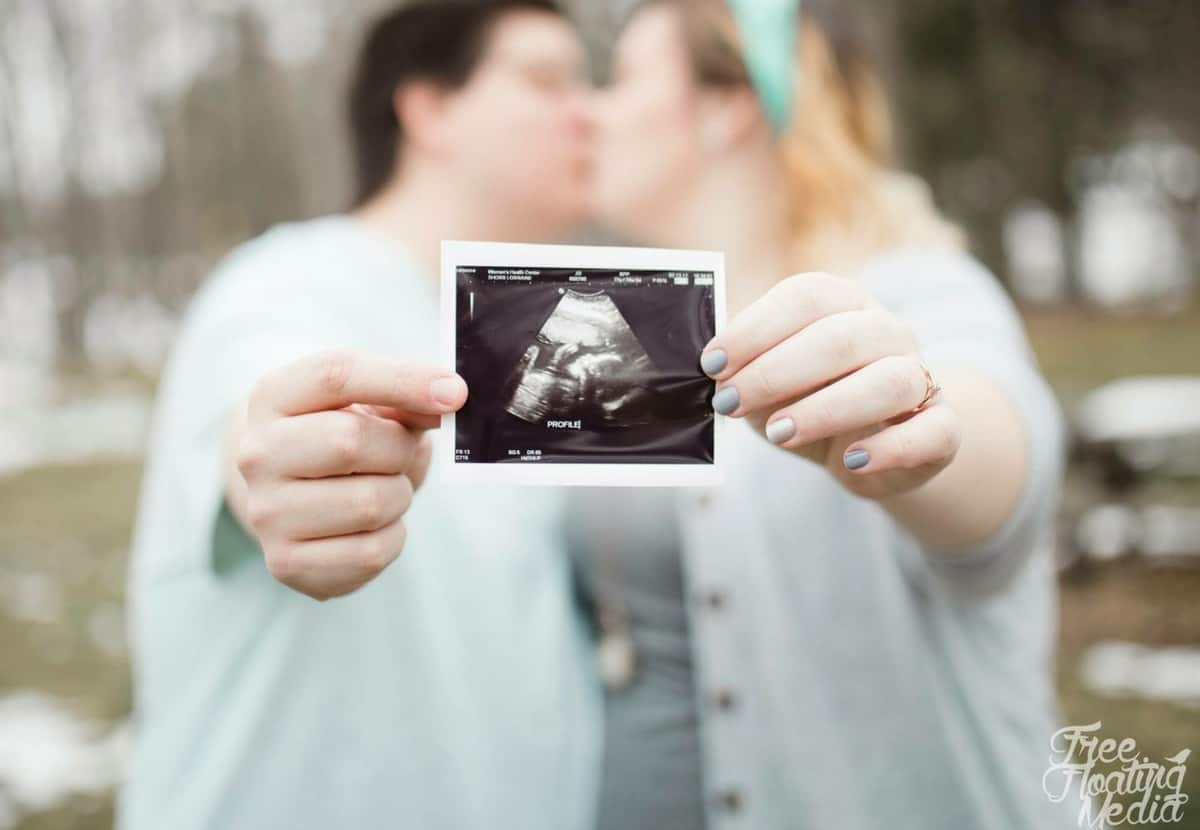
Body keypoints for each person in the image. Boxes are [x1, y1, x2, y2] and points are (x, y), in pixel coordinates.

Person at [564, 0, 1080, 827]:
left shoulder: (919, 288)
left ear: (726, 110)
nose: (585, 111)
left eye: (620, 81)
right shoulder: (607, 328)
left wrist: (923, 430)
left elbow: (998, 466)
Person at [118, 3, 601, 828]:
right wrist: (279, 462)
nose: (590, 112)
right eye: (546, 81)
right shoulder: (287, 282)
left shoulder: (554, 326)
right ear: (430, 110)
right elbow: (260, 410)